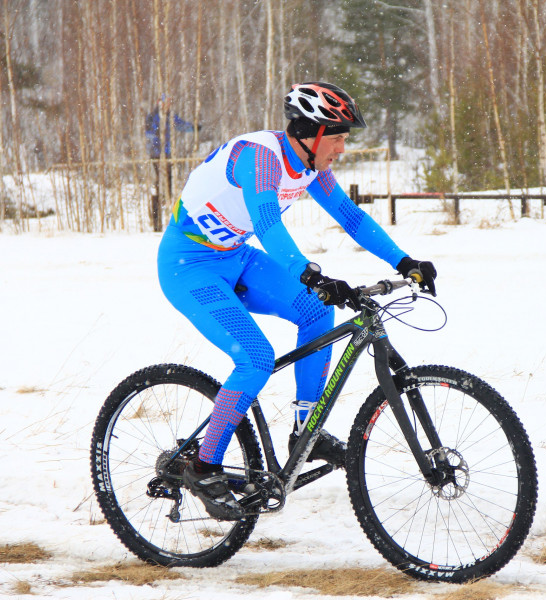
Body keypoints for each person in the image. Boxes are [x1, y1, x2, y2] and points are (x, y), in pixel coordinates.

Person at [157, 82, 437, 520]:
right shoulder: (260, 159)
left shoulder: (309, 164)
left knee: (315, 309)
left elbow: (350, 216)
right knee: (256, 358)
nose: (342, 149)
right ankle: (204, 464)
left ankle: (306, 430)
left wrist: (405, 261)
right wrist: (310, 273)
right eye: (339, 137)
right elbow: (268, 224)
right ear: (314, 133)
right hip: (189, 263)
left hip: (236, 256)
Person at [146, 94, 199, 231]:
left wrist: (193, 128)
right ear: (159, 102)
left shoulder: (170, 116)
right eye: (165, 102)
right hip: (156, 155)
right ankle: (158, 208)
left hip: (168, 154)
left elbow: (180, 125)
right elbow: (149, 133)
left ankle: (168, 198)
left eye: (169, 102)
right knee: (157, 183)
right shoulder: (153, 116)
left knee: (169, 179)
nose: (167, 105)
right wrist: (156, 141)